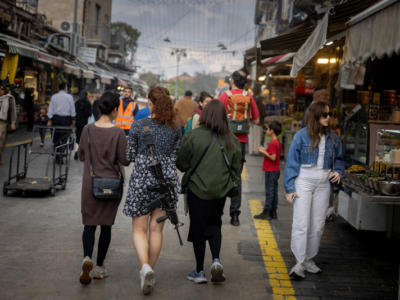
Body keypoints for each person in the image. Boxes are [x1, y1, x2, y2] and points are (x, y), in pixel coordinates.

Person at [123, 86, 181, 295]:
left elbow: (129, 156)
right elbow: (176, 154)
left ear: (150, 103)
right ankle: (149, 271)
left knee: (139, 229)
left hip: (142, 181)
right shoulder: (175, 128)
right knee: (156, 230)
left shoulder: (139, 126)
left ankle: (145, 267)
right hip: (166, 182)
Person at [177, 100, 241, 284]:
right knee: (215, 225)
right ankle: (216, 261)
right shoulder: (232, 139)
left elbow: (181, 163)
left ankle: (199, 271)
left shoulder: (192, 135)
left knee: (198, 228)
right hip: (220, 191)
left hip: (197, 189)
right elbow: (237, 166)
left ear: (204, 115)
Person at [284, 101, 344, 279]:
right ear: (315, 116)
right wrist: (289, 188)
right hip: (304, 180)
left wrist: (338, 172)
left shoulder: (333, 137)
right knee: (301, 223)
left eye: (329, 114)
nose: (328, 118)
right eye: (324, 114)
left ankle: (309, 258)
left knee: (318, 225)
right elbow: (291, 163)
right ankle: (299, 263)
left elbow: (339, 159)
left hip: (324, 182)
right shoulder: (301, 136)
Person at [77, 91, 130, 286]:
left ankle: (86, 258)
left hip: (90, 185)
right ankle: (99, 268)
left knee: (89, 225)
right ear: (115, 109)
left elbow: (81, 156)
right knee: (106, 226)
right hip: (111, 187)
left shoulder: (87, 129)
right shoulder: (118, 132)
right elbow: (124, 160)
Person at [219, 70, 260, 226]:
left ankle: (219, 211)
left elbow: (215, 117)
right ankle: (235, 215)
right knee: (236, 177)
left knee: (222, 176)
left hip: (225, 141)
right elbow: (256, 120)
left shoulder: (224, 95)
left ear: (232, 81)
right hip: (241, 143)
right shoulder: (249, 97)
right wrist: (245, 121)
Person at [254, 121, 282, 220]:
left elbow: (273, 157)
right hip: (275, 170)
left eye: (268, 129)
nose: (266, 130)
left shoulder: (273, 143)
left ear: (272, 131)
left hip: (271, 170)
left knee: (269, 191)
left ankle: (266, 211)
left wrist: (263, 151)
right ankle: (273, 212)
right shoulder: (277, 141)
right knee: (274, 191)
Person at [47, 82, 76, 163]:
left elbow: (51, 109)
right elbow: (72, 110)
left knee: (56, 137)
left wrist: (49, 119)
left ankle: (57, 153)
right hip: (66, 119)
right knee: (64, 137)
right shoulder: (69, 97)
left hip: (55, 119)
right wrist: (73, 119)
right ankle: (62, 153)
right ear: (66, 88)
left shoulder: (54, 97)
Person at [0, 83, 17, 164]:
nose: (0, 91)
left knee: (1, 141)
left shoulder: (8, 98)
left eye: (2, 89)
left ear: (5, 89)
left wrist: (13, 122)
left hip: (3, 122)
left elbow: (13, 111)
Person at [74, 90, 92, 160]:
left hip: (78, 123)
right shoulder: (88, 103)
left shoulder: (76, 103)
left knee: (77, 137)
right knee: (84, 138)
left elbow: (73, 113)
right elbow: (90, 114)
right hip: (85, 124)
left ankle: (76, 150)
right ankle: (82, 152)